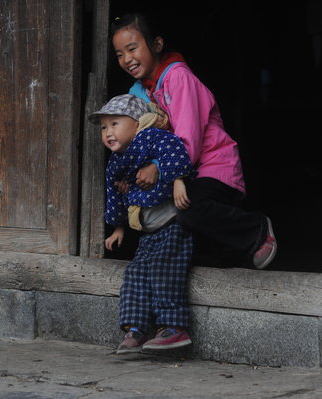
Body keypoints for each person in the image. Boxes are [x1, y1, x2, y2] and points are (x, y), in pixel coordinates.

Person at [110, 13, 277, 269]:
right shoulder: (140, 92)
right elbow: (138, 140)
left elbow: (188, 141)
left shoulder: (179, 78)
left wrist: (156, 167)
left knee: (191, 212)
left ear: (156, 44)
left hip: (214, 165)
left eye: (132, 48)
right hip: (182, 174)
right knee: (165, 219)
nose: (127, 59)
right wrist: (130, 174)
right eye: (120, 54)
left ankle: (256, 228)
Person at [89, 93, 195, 355]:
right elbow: (114, 196)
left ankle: (173, 327)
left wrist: (179, 180)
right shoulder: (115, 163)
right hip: (148, 233)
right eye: (104, 127)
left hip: (171, 224)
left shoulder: (148, 138)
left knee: (164, 270)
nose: (108, 132)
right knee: (134, 275)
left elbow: (174, 147)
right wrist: (118, 228)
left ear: (136, 124)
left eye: (115, 124)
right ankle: (135, 329)